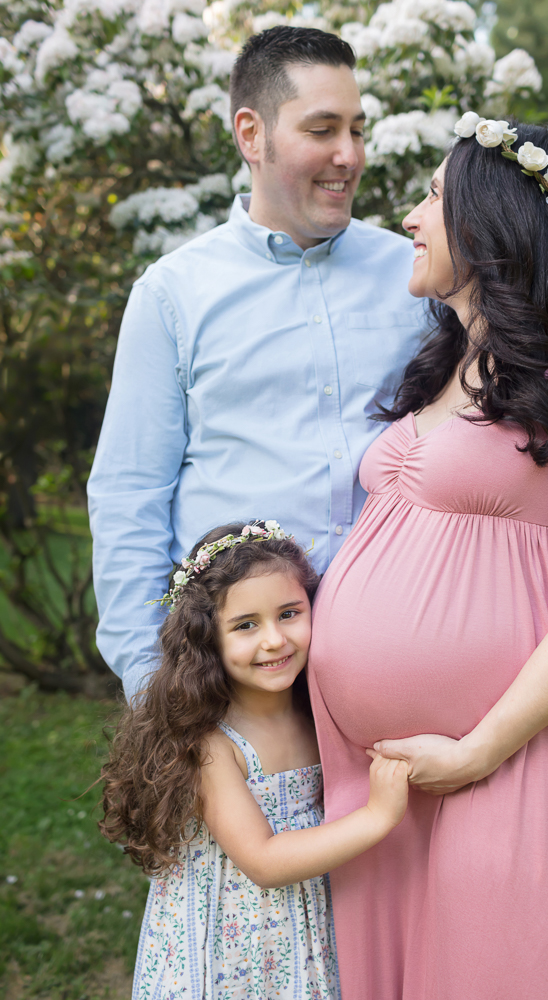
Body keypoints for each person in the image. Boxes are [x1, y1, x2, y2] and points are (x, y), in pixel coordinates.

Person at [307, 118, 548, 999]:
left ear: (491, 217)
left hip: (516, 755)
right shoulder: (440, 367)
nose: (413, 213)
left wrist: (476, 749)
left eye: (432, 193)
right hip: (379, 782)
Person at [87, 25, 425, 704]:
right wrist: (153, 687)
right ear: (251, 134)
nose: (348, 155)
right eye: (323, 128)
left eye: (357, 129)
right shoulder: (172, 294)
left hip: (392, 666)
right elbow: (129, 497)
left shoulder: (416, 275)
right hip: (234, 685)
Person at [99, 521, 409, 998]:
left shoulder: (319, 714)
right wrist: (378, 816)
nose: (274, 640)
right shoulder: (210, 744)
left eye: (289, 613)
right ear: (208, 638)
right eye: (246, 625)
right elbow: (263, 860)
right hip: (229, 951)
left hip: (303, 934)